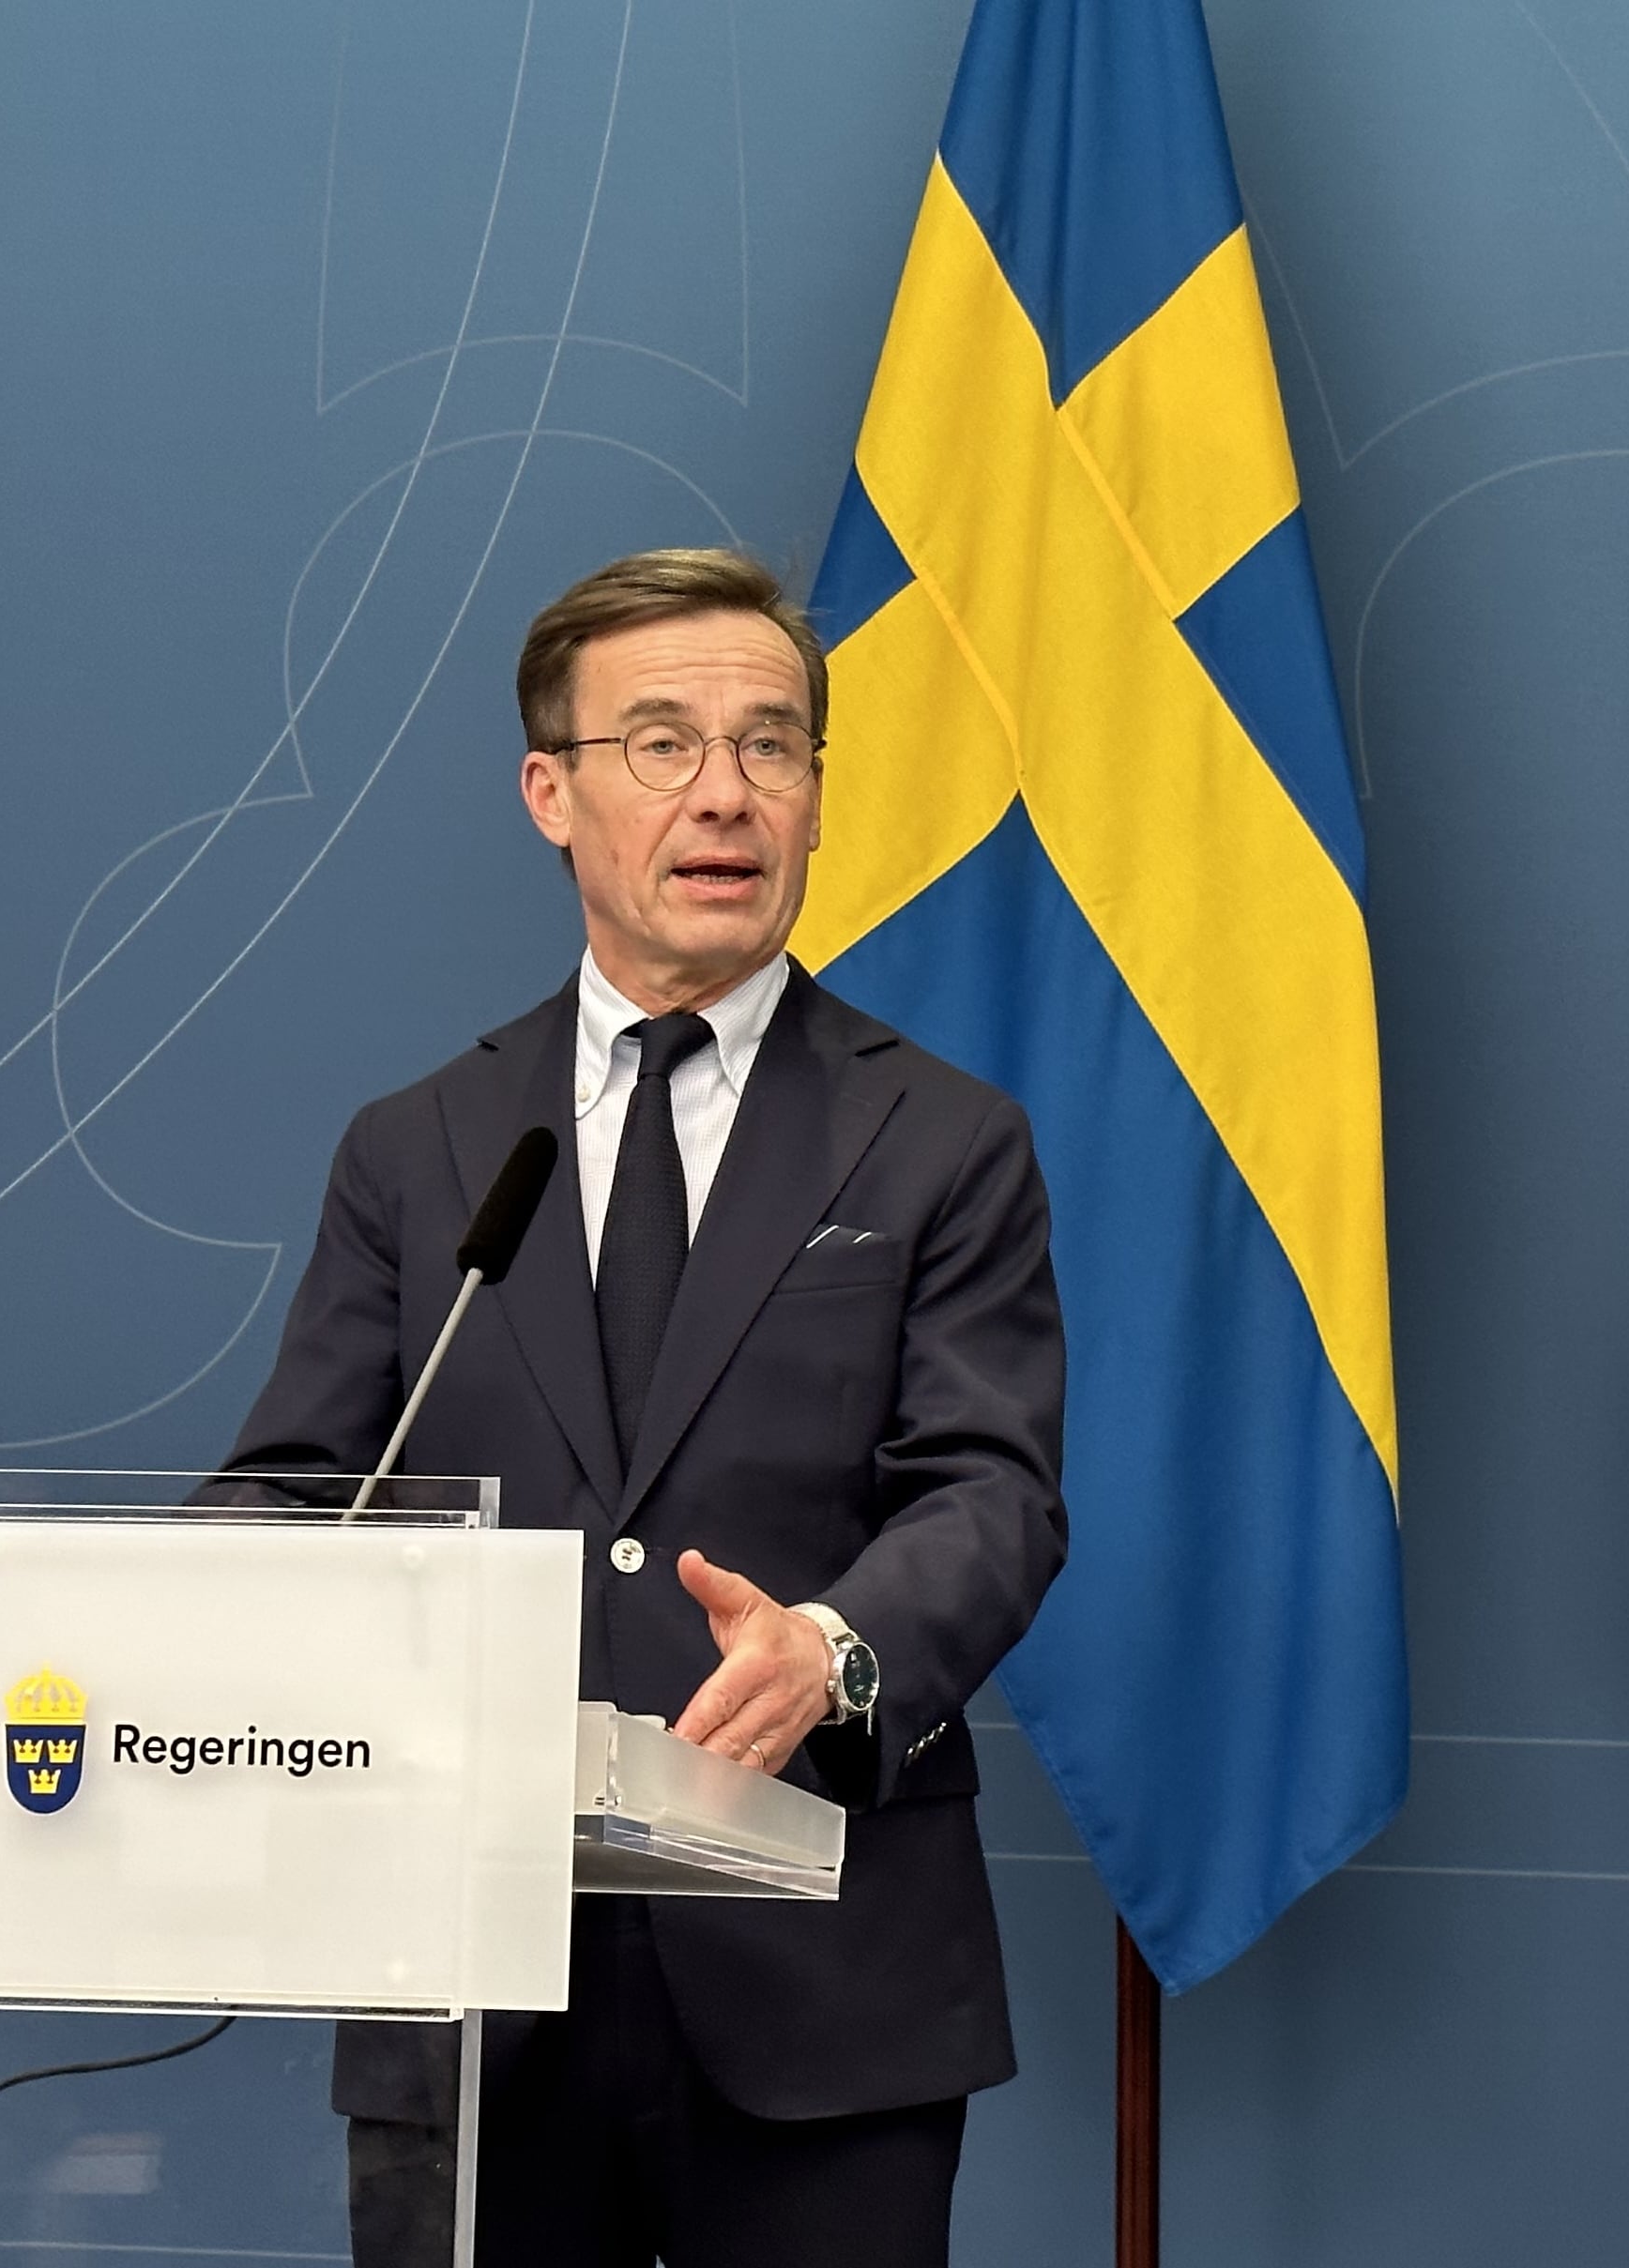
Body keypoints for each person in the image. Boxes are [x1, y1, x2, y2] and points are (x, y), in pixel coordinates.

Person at [218, 547, 1066, 2264]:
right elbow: (307, 1486)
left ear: (820, 801)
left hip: (820, 1977)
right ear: (552, 792)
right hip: (466, 1969)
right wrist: (138, 1623)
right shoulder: (423, 1148)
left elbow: (993, 1490)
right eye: (663, 743)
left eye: (775, 745)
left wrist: (832, 1643)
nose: (727, 794)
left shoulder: (942, 1139)